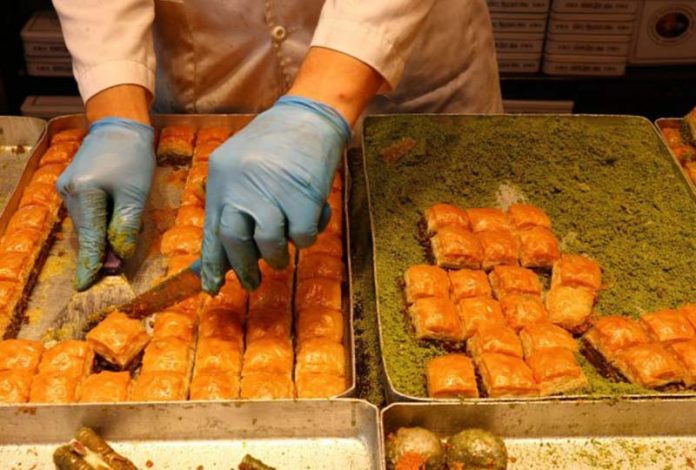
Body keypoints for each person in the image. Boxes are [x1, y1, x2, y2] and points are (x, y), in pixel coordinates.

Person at [52, 0, 502, 293]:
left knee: (468, 260)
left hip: (403, 70)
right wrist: (116, 109)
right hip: (208, 69)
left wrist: (321, 104)